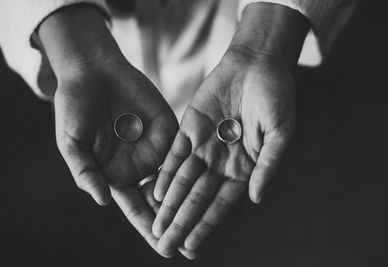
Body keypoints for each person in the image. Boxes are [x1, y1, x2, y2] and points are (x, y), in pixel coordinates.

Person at [0, 0, 358, 259]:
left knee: (208, 104)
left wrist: (266, 40)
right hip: (110, 42)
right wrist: (75, 49)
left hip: (226, 30)